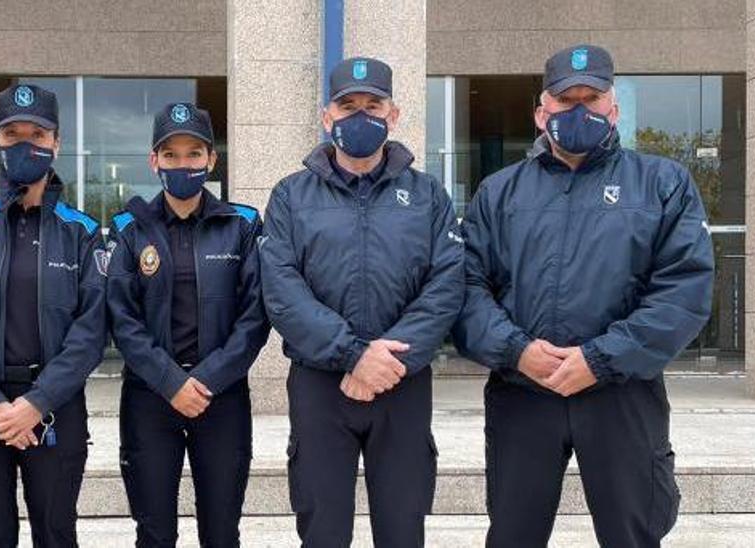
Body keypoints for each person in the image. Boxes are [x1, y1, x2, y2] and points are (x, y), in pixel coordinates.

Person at [453, 44, 715, 548]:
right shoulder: (498, 192)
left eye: (589, 99)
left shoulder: (662, 184)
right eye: (564, 99)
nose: (577, 110)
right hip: (523, 392)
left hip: (622, 394)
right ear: (540, 114)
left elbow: (683, 291)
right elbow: (464, 288)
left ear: (613, 110)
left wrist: (600, 359)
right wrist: (517, 351)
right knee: (512, 534)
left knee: (634, 533)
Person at [259, 56, 464, 547]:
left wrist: (387, 360)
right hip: (320, 385)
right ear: (326, 116)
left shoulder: (428, 195)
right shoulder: (291, 196)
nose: (359, 115)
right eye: (347, 105)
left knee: (402, 528)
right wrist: (353, 354)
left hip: (403, 383)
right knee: (323, 530)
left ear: (393, 115)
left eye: (372, 105)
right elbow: (282, 290)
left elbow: (447, 286)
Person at [0, 83, 107, 548]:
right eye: (13, 135)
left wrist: (37, 402)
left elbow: (90, 332)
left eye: (38, 134)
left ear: (56, 144)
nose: (25, 144)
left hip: (54, 408)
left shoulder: (82, 233)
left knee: (56, 534)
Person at [107, 102, 270, 547]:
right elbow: (122, 319)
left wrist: (206, 379)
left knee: (221, 532)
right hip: (149, 397)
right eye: (172, 155)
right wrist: (170, 381)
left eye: (194, 154)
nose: (183, 164)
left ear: (212, 159)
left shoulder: (243, 225)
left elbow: (255, 317)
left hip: (221, 397)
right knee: (155, 533)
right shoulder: (129, 228)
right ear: (154, 160)